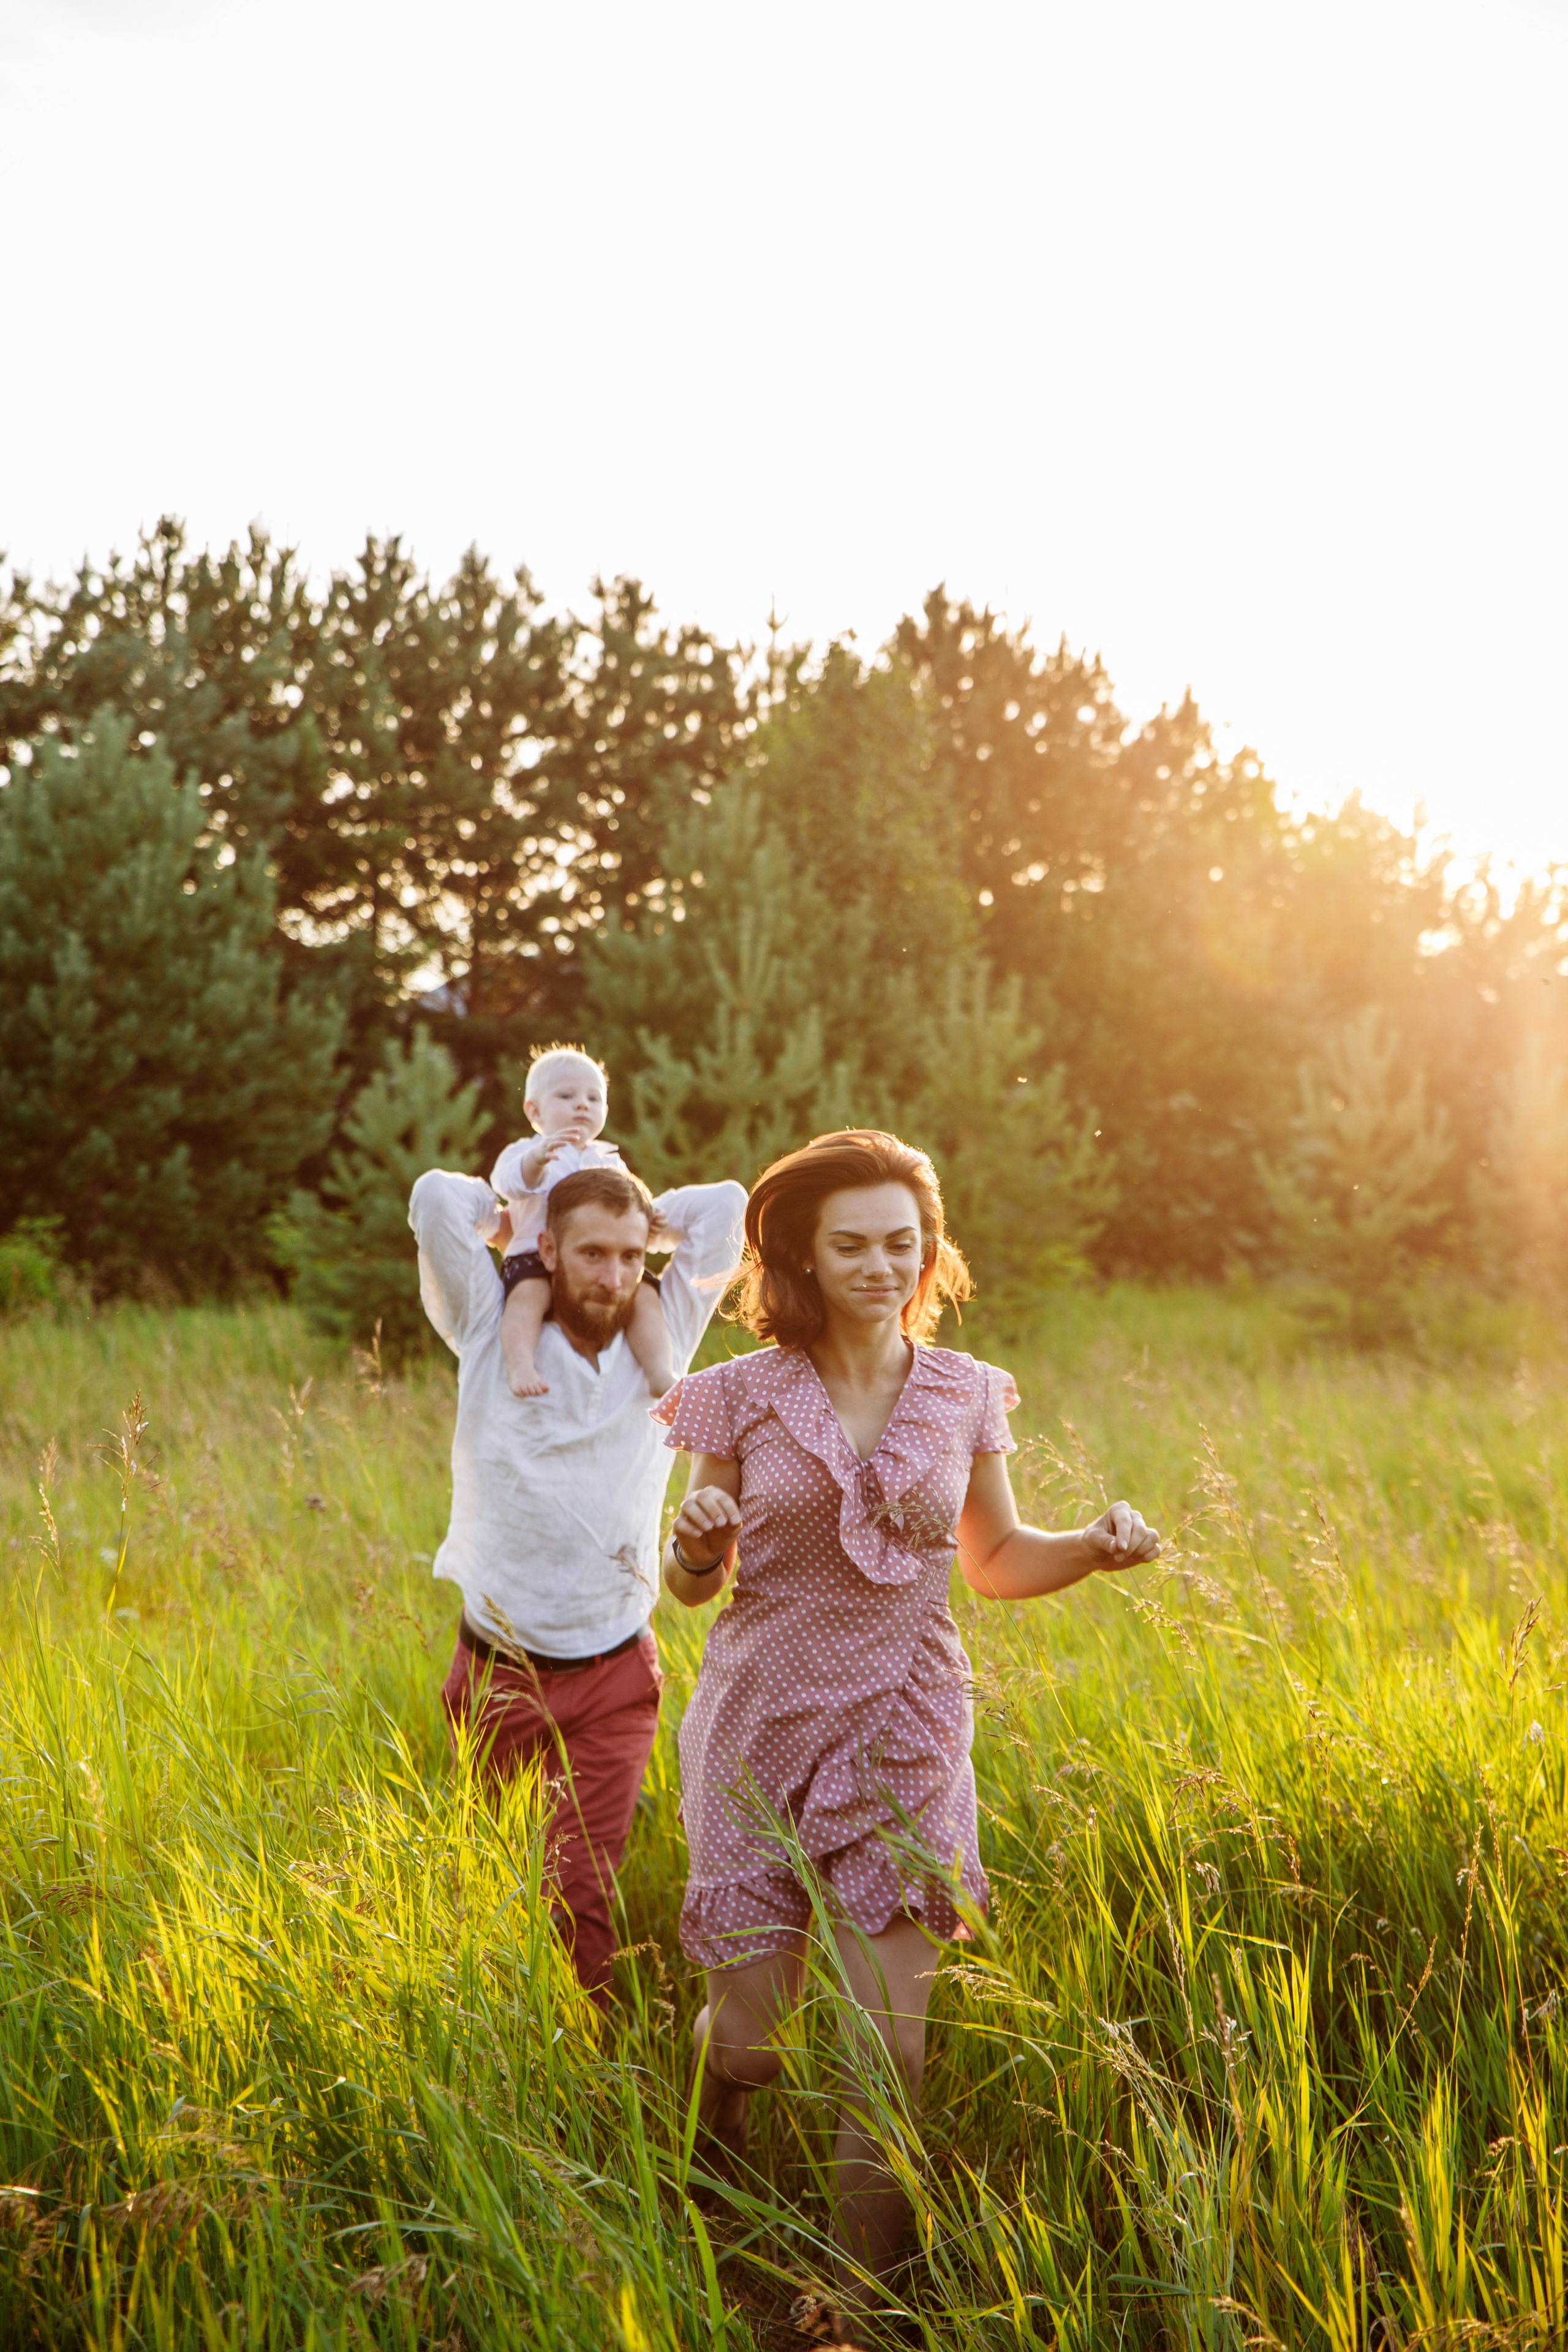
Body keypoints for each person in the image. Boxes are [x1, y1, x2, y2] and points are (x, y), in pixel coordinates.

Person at [655, 1129, 1159, 2309]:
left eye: (904, 1243)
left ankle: (854, 2308)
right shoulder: (738, 1394)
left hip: (906, 1721)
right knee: (751, 2044)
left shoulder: (968, 1391)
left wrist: (1086, 1548)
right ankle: (703, 2186)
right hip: (760, 1721)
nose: (883, 1265)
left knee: (892, 2047)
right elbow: (689, 1584)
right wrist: (698, 1544)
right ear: (802, 1258)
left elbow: (990, 1560)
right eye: (853, 1246)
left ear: (929, 1253)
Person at [409, 1150, 746, 2008]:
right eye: (592, 1253)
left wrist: (638, 1214)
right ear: (551, 1253)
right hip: (496, 1674)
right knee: (489, 1890)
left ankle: (589, 2086)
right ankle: (503, 2064)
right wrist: (522, 1211)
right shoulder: (491, 1326)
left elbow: (727, 1207)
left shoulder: (661, 1334)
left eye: (632, 1257)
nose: (616, 1275)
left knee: (579, 1894)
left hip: (613, 1677)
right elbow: (435, 1200)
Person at [491, 1044, 678, 1400]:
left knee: (646, 1296)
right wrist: (537, 1160)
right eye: (567, 1095)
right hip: (533, 1255)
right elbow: (507, 1183)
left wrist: (649, 1214)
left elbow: (629, 1198)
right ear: (534, 1110)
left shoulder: (607, 1158)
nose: (582, 1104)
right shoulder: (526, 1150)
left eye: (594, 1098)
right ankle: (521, 1365)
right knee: (527, 1298)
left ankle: (659, 1370)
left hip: (595, 1258)